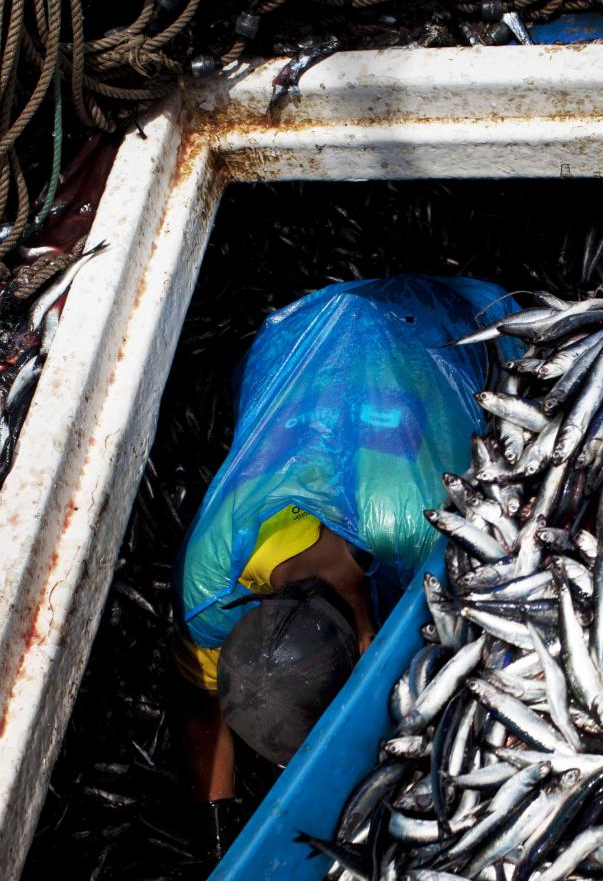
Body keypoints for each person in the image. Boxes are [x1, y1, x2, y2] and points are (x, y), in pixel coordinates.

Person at [172, 273, 516, 821]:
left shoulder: (421, 522)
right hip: (294, 329)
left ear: (366, 644)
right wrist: (216, 826)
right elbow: (199, 695)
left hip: (448, 319)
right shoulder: (210, 584)